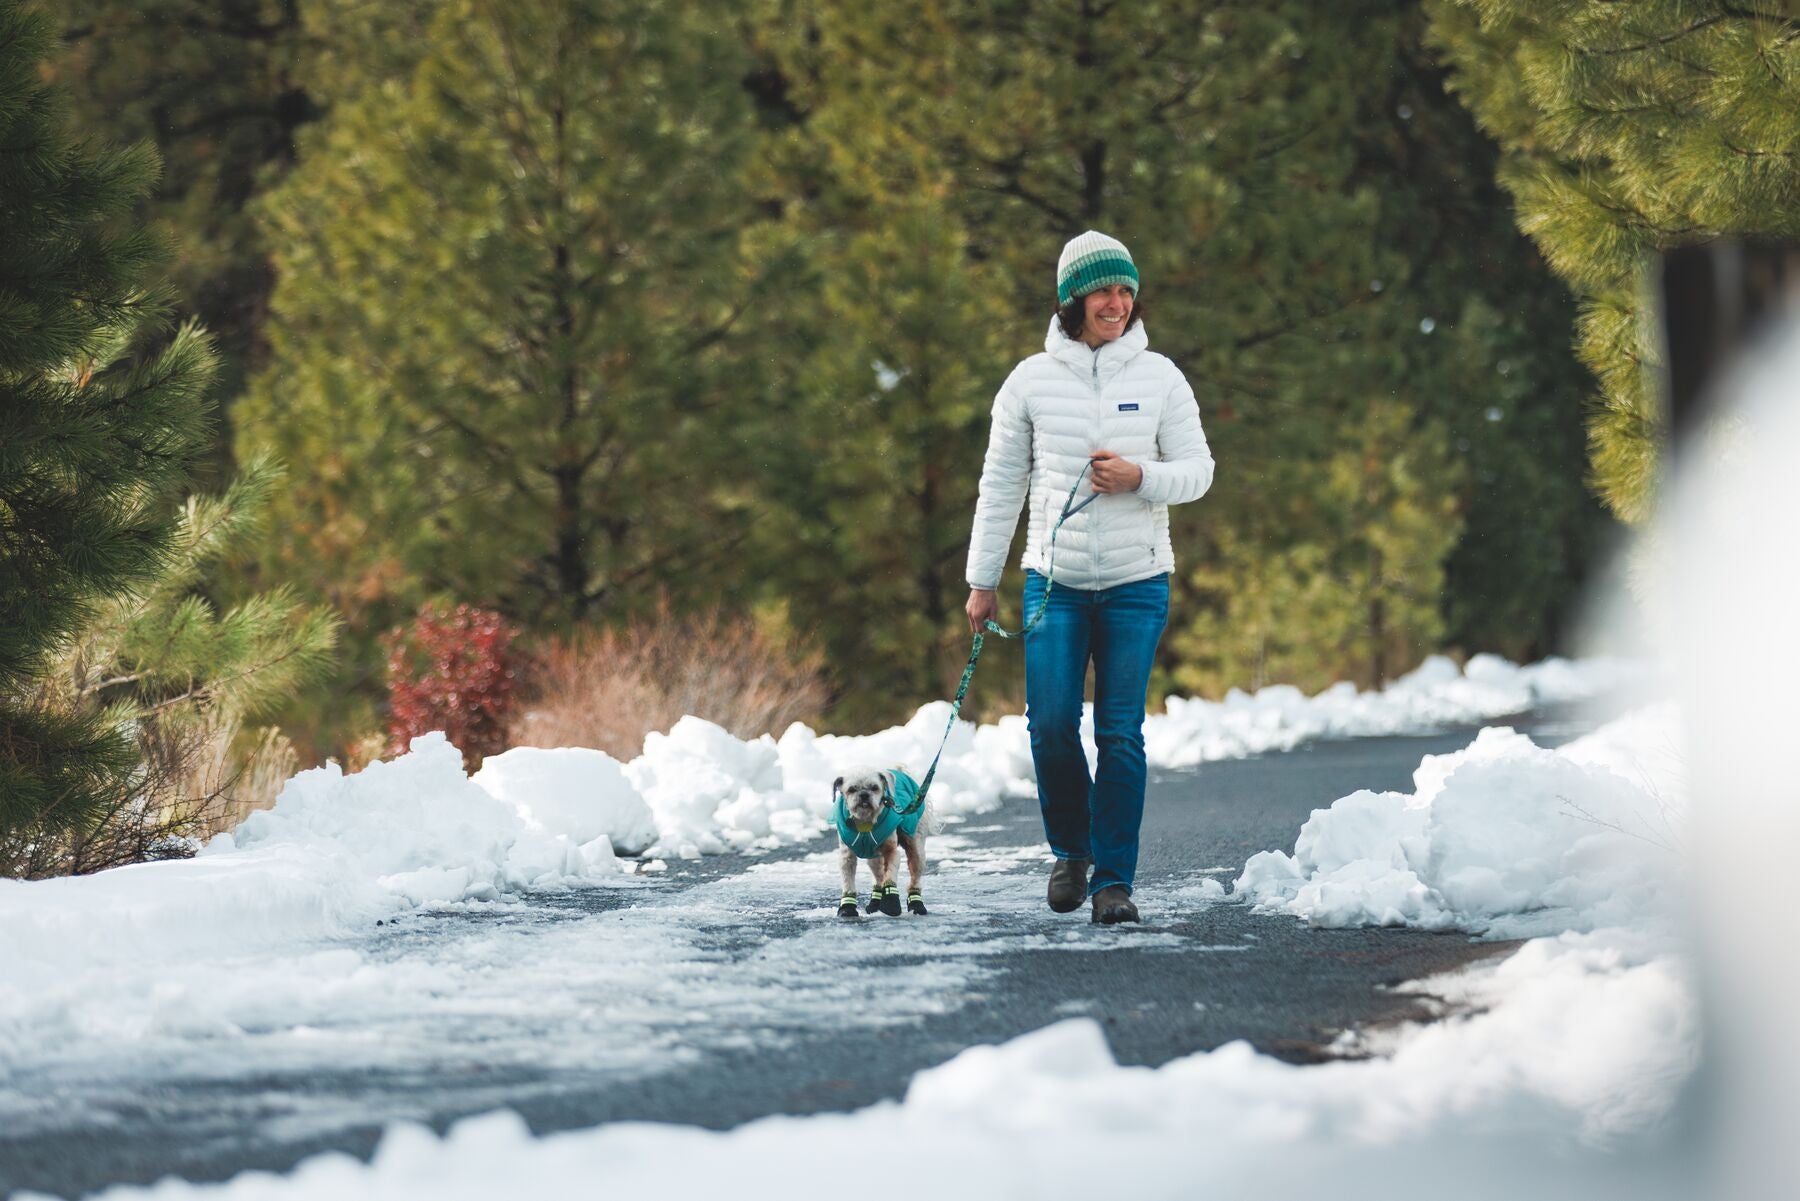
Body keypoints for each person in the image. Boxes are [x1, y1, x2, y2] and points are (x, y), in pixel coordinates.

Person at [964, 230, 1214, 925]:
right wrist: (982, 580)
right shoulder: (1029, 381)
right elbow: (1001, 483)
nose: (1117, 301)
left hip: (1138, 583)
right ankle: (1070, 850)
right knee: (1048, 723)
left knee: (1121, 732)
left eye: (1126, 289)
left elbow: (1199, 471)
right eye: (1104, 289)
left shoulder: (1161, 376)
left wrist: (1142, 478)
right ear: (1073, 298)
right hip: (1056, 582)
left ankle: (1113, 881)